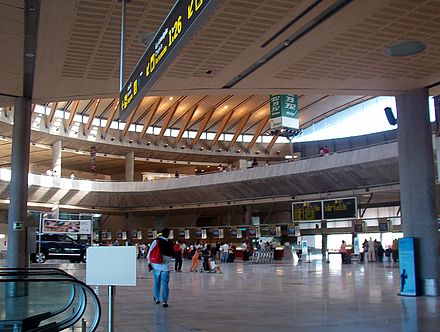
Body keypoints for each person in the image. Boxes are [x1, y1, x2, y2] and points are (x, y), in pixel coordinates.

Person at [147, 228, 174, 308]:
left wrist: (149, 263)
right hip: (166, 267)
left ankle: (157, 298)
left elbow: (150, 252)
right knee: (165, 284)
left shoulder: (156, 241)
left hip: (156, 266)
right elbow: (172, 255)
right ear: (168, 234)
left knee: (156, 283)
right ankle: (164, 301)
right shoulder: (170, 243)